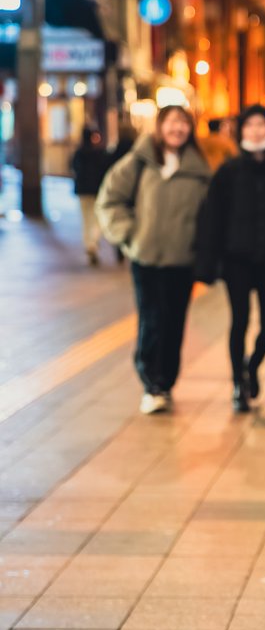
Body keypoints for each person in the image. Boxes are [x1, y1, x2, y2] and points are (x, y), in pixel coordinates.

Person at [96, 105, 211, 414]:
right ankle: (151, 384)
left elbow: (210, 215)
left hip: (182, 260)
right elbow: (109, 200)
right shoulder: (138, 161)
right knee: (151, 320)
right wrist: (130, 235)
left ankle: (166, 383)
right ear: (160, 127)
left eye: (184, 123)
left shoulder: (199, 168)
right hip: (145, 258)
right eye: (172, 122)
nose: (178, 129)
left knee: (175, 323)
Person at [196, 105, 265, 413]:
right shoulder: (229, 172)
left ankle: (252, 366)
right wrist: (208, 261)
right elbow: (212, 218)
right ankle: (237, 384)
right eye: (250, 126)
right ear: (241, 131)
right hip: (237, 261)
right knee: (240, 321)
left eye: (261, 125)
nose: (256, 131)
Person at [71, 125, 109, 265]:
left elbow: (73, 168)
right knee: (97, 217)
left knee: (86, 218)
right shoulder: (99, 153)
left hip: (82, 190)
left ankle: (89, 244)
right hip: (96, 191)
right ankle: (94, 241)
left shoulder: (78, 153)